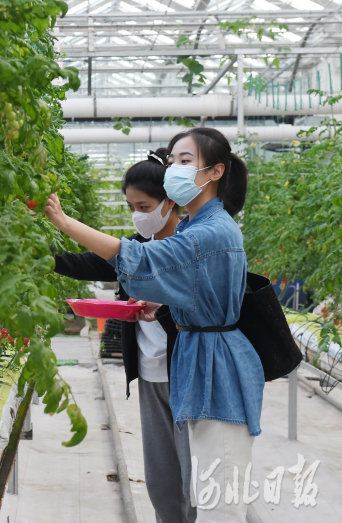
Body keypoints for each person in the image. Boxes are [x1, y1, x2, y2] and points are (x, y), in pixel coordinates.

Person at [45, 128, 264, 522]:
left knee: (218, 501)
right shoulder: (195, 227)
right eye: (172, 160)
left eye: (185, 161)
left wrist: (65, 222)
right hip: (197, 365)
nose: (174, 168)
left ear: (215, 172)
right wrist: (162, 306)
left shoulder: (210, 233)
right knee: (204, 488)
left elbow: (140, 260)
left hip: (215, 371)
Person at [53, 148, 195, 523]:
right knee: (162, 478)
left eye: (144, 206)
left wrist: (161, 306)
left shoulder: (191, 245)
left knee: (195, 478)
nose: (137, 214)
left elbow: (201, 303)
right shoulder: (138, 247)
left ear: (170, 202)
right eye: (131, 206)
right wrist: (40, 254)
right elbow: (87, 263)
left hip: (189, 374)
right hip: (151, 373)